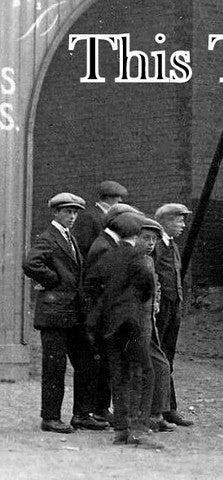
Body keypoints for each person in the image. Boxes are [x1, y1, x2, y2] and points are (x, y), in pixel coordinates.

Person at [22, 192, 107, 433]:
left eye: (75, 212)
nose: (72, 216)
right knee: (54, 367)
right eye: (67, 212)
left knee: (86, 362)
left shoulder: (69, 237)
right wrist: (55, 280)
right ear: (56, 212)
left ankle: (81, 415)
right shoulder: (48, 237)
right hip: (54, 314)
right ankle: (50, 418)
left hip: (72, 314)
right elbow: (30, 264)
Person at [88, 212, 165, 449]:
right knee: (144, 372)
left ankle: (121, 430)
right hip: (131, 324)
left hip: (109, 325)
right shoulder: (138, 257)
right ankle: (139, 430)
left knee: (119, 376)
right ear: (135, 234)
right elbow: (148, 286)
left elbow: (92, 285)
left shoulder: (108, 255)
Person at [152, 204, 194, 428]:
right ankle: (158, 409)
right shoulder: (156, 245)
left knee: (168, 357)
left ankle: (169, 408)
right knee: (158, 358)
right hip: (161, 308)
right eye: (179, 221)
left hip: (173, 306)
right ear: (166, 221)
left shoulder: (173, 246)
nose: (183, 225)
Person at [73, 180, 127, 257]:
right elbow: (82, 245)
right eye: (117, 196)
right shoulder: (89, 216)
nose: (120, 200)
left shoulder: (113, 215)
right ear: (108, 197)